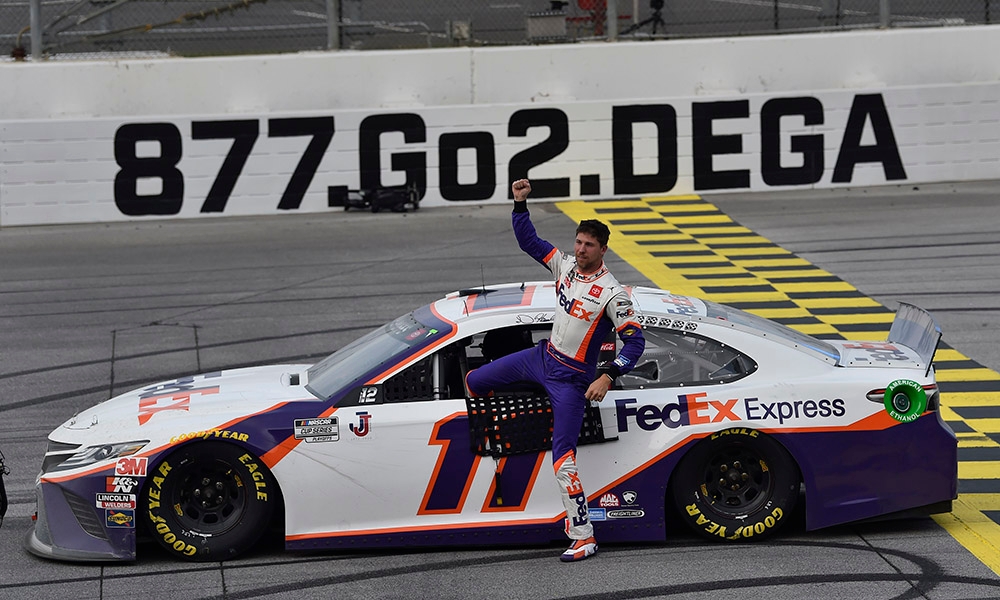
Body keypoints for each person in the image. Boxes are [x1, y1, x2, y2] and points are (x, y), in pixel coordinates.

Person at [466, 178, 646, 562]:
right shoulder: (563, 264)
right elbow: (528, 241)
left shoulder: (613, 294)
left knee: (563, 459)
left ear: (603, 249)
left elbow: (636, 343)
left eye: (589, 245)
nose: (580, 250)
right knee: (474, 381)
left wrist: (607, 375)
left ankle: (583, 535)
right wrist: (519, 204)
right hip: (541, 358)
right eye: (578, 242)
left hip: (572, 381)